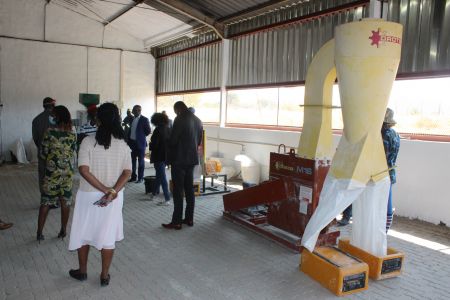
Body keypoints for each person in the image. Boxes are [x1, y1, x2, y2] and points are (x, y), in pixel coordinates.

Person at [68, 103, 131, 287]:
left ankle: (82, 271)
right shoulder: (123, 144)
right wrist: (112, 191)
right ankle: (104, 275)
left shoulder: (88, 141)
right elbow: (127, 173)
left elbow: (84, 170)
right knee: (107, 235)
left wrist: (105, 190)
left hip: (88, 195)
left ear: (98, 119)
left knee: (83, 231)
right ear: (117, 118)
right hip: (113, 198)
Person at [36, 105, 77, 242]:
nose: (51, 117)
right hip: (67, 174)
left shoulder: (49, 132)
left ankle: (40, 232)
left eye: (53, 115)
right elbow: (73, 151)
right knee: (65, 202)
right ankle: (63, 230)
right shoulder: (72, 133)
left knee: (46, 202)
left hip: (51, 174)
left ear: (57, 117)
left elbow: (43, 153)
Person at [162, 101, 203, 230]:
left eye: (175, 111)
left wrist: (167, 138)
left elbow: (173, 141)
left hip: (179, 161)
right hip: (191, 160)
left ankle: (177, 222)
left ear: (178, 109)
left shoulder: (179, 118)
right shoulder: (198, 120)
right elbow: (199, 141)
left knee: (178, 191)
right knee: (189, 189)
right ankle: (189, 219)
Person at [32, 97, 58, 209]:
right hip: (56, 154)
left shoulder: (36, 120)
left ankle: (45, 201)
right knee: (55, 176)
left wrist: (42, 148)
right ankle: (54, 201)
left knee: (43, 176)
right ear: (53, 105)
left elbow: (35, 138)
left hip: (43, 154)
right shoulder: (58, 119)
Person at [382, 108, 400, 233]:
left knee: (381, 203)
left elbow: (382, 156)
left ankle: (382, 231)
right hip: (391, 172)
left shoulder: (383, 135)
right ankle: (385, 230)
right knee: (388, 200)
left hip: (380, 174)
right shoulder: (395, 134)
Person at [149, 113, 171, 206]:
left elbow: (154, 144)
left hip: (158, 156)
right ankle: (154, 194)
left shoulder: (157, 130)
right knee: (158, 176)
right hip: (166, 156)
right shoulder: (169, 129)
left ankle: (167, 199)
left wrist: (150, 145)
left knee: (162, 177)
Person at [128, 105, 150, 183]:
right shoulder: (131, 119)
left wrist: (140, 136)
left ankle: (140, 178)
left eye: (139, 110)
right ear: (133, 111)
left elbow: (148, 131)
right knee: (132, 161)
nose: (137, 111)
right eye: (135, 110)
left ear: (140, 111)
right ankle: (133, 177)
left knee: (141, 162)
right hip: (132, 144)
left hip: (140, 144)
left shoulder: (144, 119)